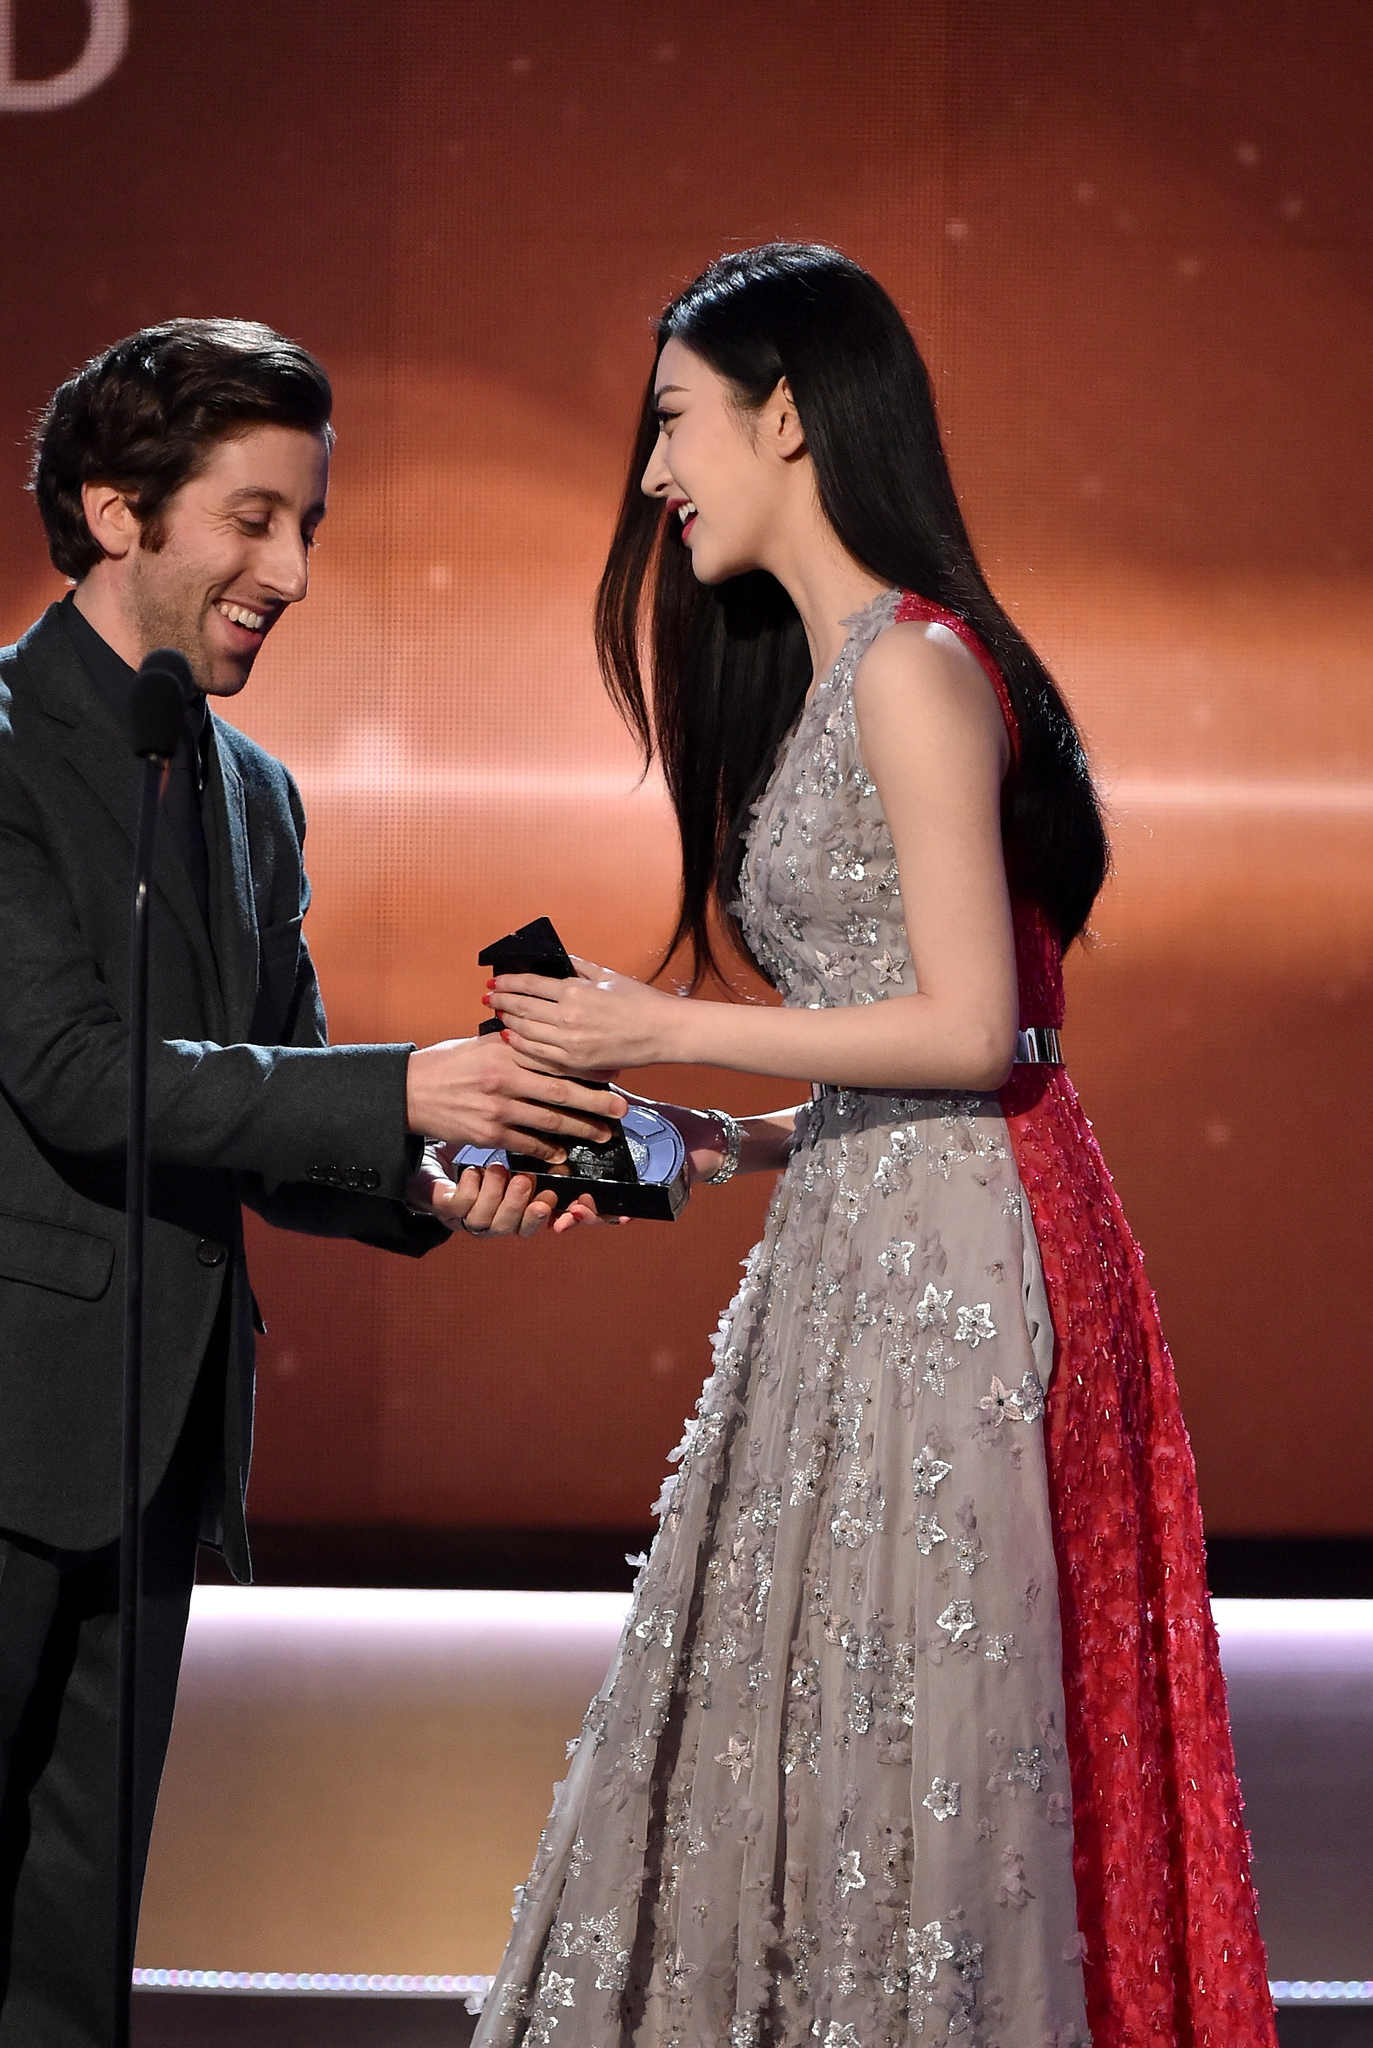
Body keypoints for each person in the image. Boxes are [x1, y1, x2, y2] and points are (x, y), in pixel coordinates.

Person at [0, 317, 625, 2048]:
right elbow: (82, 1084)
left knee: (63, 1988)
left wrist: (440, 1164)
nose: (289, 569)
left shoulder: (256, 796)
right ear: (111, 510)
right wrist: (395, 1090)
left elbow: (270, 1107)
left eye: (307, 525)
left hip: (149, 1454)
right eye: (251, 519)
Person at [475, 247, 1276, 2048]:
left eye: (672, 420)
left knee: (918, 1720)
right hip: (878, 1233)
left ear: (786, 412)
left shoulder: (913, 666)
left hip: (961, 1267)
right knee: (846, 1714)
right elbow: (911, 1053)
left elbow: (974, 1029)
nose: (652, 473)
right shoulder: (846, 671)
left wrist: (651, 1022)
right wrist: (732, 1141)